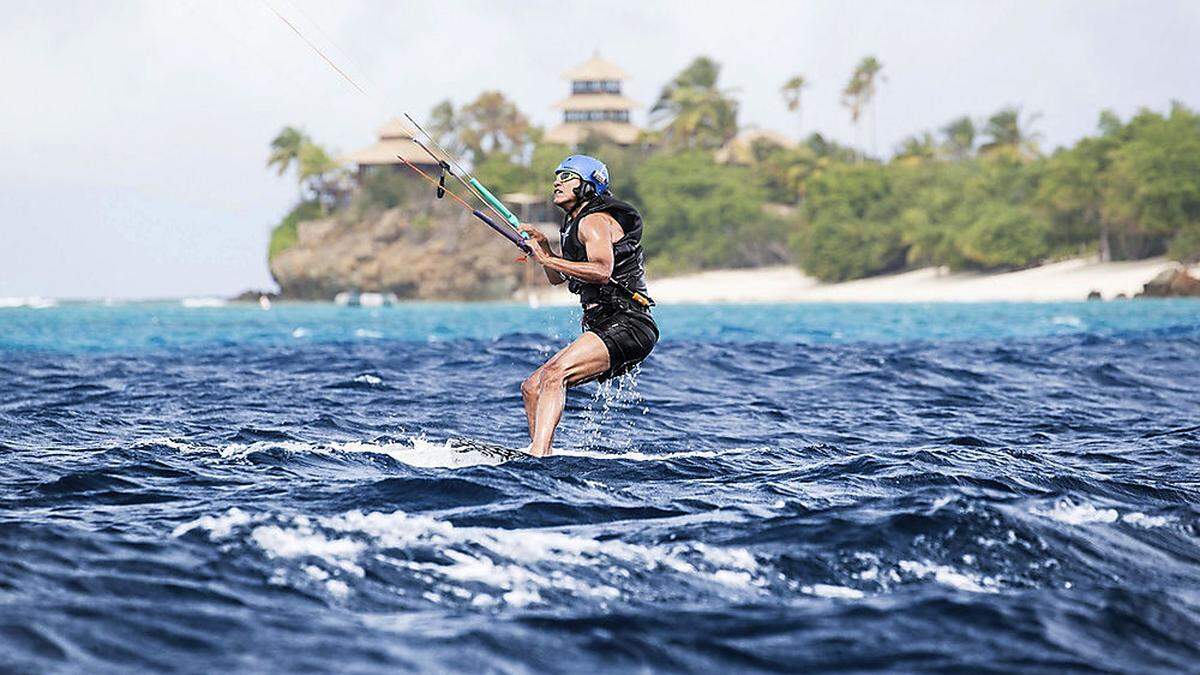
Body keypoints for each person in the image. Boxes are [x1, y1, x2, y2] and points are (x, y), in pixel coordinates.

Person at [516, 155, 658, 457]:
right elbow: (556, 278)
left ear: (589, 185)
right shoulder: (574, 226)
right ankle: (541, 454)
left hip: (630, 322)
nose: (557, 181)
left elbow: (602, 271)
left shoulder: (594, 221)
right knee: (532, 388)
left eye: (566, 176)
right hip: (607, 324)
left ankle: (539, 453)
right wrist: (545, 248)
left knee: (555, 374)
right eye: (556, 175)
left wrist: (547, 258)